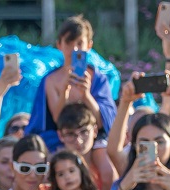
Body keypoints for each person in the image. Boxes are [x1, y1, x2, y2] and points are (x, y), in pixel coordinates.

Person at [27, 15, 116, 153]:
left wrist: (86, 95)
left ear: (89, 46)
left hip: (94, 138)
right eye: (69, 43)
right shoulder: (51, 80)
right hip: (63, 139)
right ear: (59, 45)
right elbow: (57, 119)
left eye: (80, 43)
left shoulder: (97, 78)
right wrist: (64, 91)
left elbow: (102, 122)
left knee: (106, 167)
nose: (74, 49)